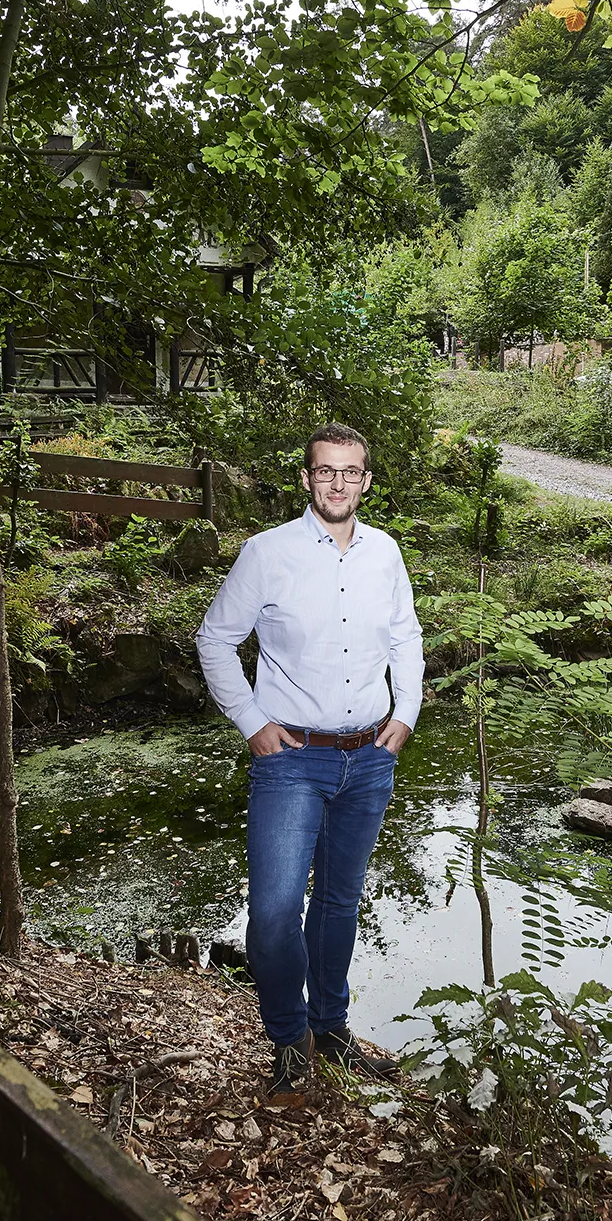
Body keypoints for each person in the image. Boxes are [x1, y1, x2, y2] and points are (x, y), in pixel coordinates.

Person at [195, 422, 422, 1102]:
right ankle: (288, 1036)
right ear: (305, 477)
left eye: (351, 472)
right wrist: (252, 722)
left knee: (338, 903)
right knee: (270, 914)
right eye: (326, 470)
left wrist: (405, 712)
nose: (338, 483)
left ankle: (331, 1029)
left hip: (369, 759)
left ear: (367, 481)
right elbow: (214, 638)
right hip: (291, 759)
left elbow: (406, 635)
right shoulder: (267, 554)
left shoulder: (386, 554)